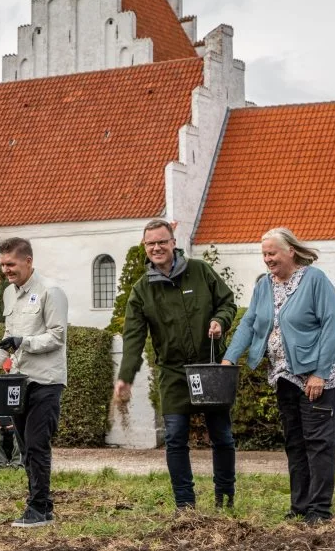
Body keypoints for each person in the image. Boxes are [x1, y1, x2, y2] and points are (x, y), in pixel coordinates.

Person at [222, 228, 335, 524]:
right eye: (264, 254)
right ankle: (300, 506)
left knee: (318, 442)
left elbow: (331, 326)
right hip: (283, 376)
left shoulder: (315, 280)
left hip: (317, 376)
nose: (267, 259)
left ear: (290, 251)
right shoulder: (264, 285)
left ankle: (320, 510)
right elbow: (249, 323)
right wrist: (229, 357)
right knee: (295, 442)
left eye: (272, 253)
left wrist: (320, 374)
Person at [115, 219, 238, 511]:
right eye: (150, 243)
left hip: (209, 368)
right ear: (144, 247)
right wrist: (126, 377)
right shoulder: (142, 290)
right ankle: (185, 503)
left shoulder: (200, 271)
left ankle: (225, 497)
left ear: (173, 243)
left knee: (221, 436)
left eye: (161, 241)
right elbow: (133, 338)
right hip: (173, 373)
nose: (156, 247)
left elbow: (228, 303)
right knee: (174, 437)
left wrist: (220, 321)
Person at [0, 237, 67, 527]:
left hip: (46, 380)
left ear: (28, 261)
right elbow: (9, 332)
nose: (6, 269)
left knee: (37, 444)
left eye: (11, 264)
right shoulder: (8, 293)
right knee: (24, 445)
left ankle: (38, 509)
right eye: (3, 264)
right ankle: (44, 505)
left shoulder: (50, 292)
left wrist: (23, 342)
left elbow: (57, 336)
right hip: (18, 381)